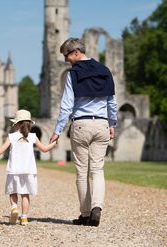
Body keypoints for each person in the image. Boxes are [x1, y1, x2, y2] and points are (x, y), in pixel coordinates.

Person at [49, 38, 118, 227]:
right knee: (97, 169)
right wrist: (112, 123)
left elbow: (66, 106)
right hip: (102, 124)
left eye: (67, 56)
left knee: (81, 172)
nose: (66, 60)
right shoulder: (105, 71)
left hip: (81, 125)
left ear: (77, 52)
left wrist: (57, 131)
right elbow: (112, 102)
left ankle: (86, 214)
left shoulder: (73, 74)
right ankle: (97, 207)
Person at [0, 109, 57, 226]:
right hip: (29, 171)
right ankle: (24, 218)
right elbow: (44, 149)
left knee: (13, 192)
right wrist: (54, 142)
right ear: (29, 124)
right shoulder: (33, 136)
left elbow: (1, 150)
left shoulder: (11, 137)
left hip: (14, 170)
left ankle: (14, 207)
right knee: (25, 194)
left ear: (16, 124)